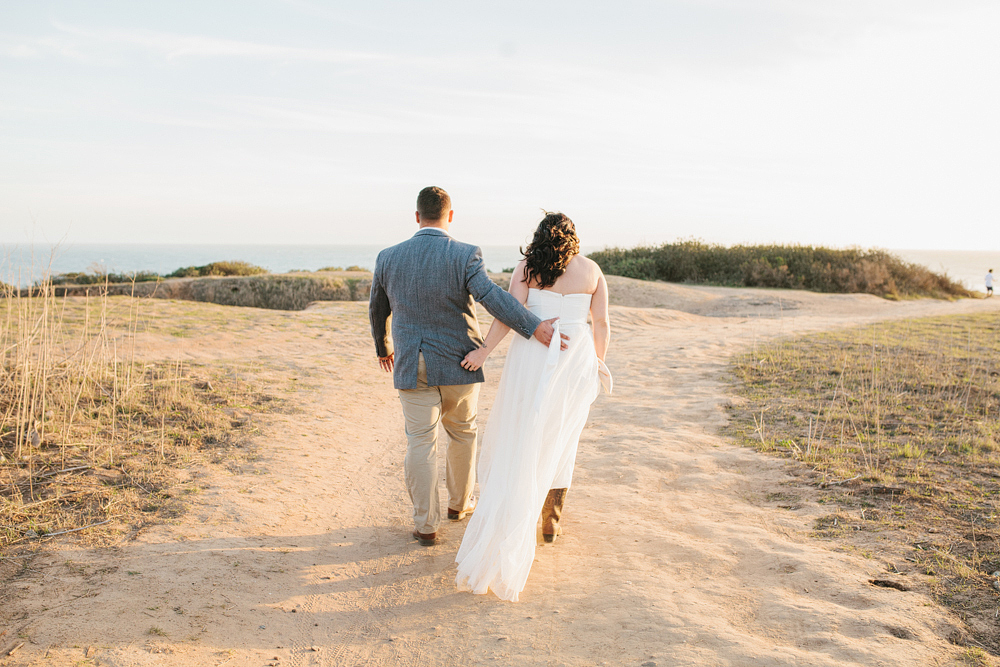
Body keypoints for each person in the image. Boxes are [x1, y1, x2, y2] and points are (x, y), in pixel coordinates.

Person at [369, 187, 566, 547]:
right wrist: (533, 326)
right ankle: (460, 505)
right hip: (460, 362)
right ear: (450, 215)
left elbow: (377, 307)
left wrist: (383, 346)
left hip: (412, 363)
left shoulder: (387, 257)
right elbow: (492, 297)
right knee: (462, 433)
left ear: (417, 217)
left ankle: (425, 524)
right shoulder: (464, 254)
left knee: (420, 442)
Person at [455, 211, 611, 601]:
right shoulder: (592, 270)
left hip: (533, 357)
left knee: (522, 432)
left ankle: (516, 514)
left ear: (540, 236)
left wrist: (485, 351)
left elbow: (508, 315)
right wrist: (598, 363)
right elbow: (602, 323)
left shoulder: (528, 267)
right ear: (574, 239)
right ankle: (550, 522)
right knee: (561, 437)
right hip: (575, 360)